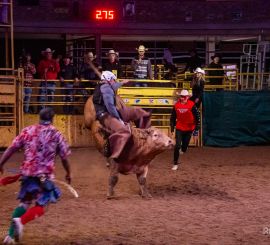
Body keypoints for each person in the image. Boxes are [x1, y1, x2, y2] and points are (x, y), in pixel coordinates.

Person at [0, 107, 71, 244]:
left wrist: (1, 163)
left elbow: (12, 148)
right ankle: (20, 222)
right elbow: (64, 157)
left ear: (39, 117)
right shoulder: (56, 134)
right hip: (44, 176)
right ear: (52, 118)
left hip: (27, 173)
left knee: (24, 203)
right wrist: (68, 173)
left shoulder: (27, 130)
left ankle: (9, 237)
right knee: (42, 205)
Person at [92, 71, 151, 159]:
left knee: (138, 111)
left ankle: (145, 137)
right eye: (113, 80)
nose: (114, 81)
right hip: (105, 115)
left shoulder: (106, 86)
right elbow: (110, 106)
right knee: (124, 131)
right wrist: (119, 118)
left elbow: (113, 86)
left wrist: (122, 83)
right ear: (108, 79)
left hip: (110, 111)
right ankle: (114, 152)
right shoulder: (106, 89)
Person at [170, 89, 200, 171]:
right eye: (181, 96)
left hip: (189, 128)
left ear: (187, 97)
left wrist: (197, 128)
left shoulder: (192, 105)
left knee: (184, 147)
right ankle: (175, 163)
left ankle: (183, 149)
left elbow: (197, 116)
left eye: (183, 97)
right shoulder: (176, 105)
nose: (182, 98)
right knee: (177, 146)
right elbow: (173, 117)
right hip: (179, 127)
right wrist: (172, 128)